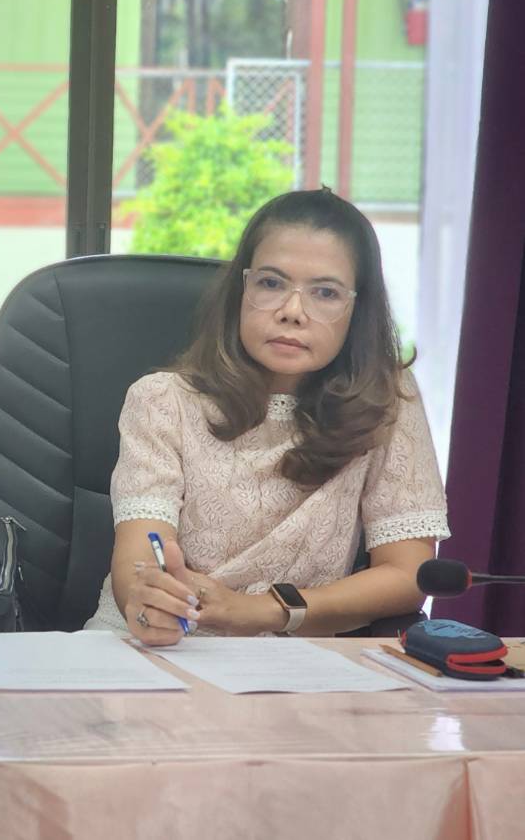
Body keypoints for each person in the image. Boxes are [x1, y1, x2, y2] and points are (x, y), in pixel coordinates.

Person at [86, 188, 450, 644]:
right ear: (242, 290)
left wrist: (261, 612)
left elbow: (407, 574)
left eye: (325, 293)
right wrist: (148, 602)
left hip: (295, 656)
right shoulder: (162, 399)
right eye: (272, 284)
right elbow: (140, 554)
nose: (292, 312)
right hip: (160, 644)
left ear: (357, 310)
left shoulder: (387, 403)